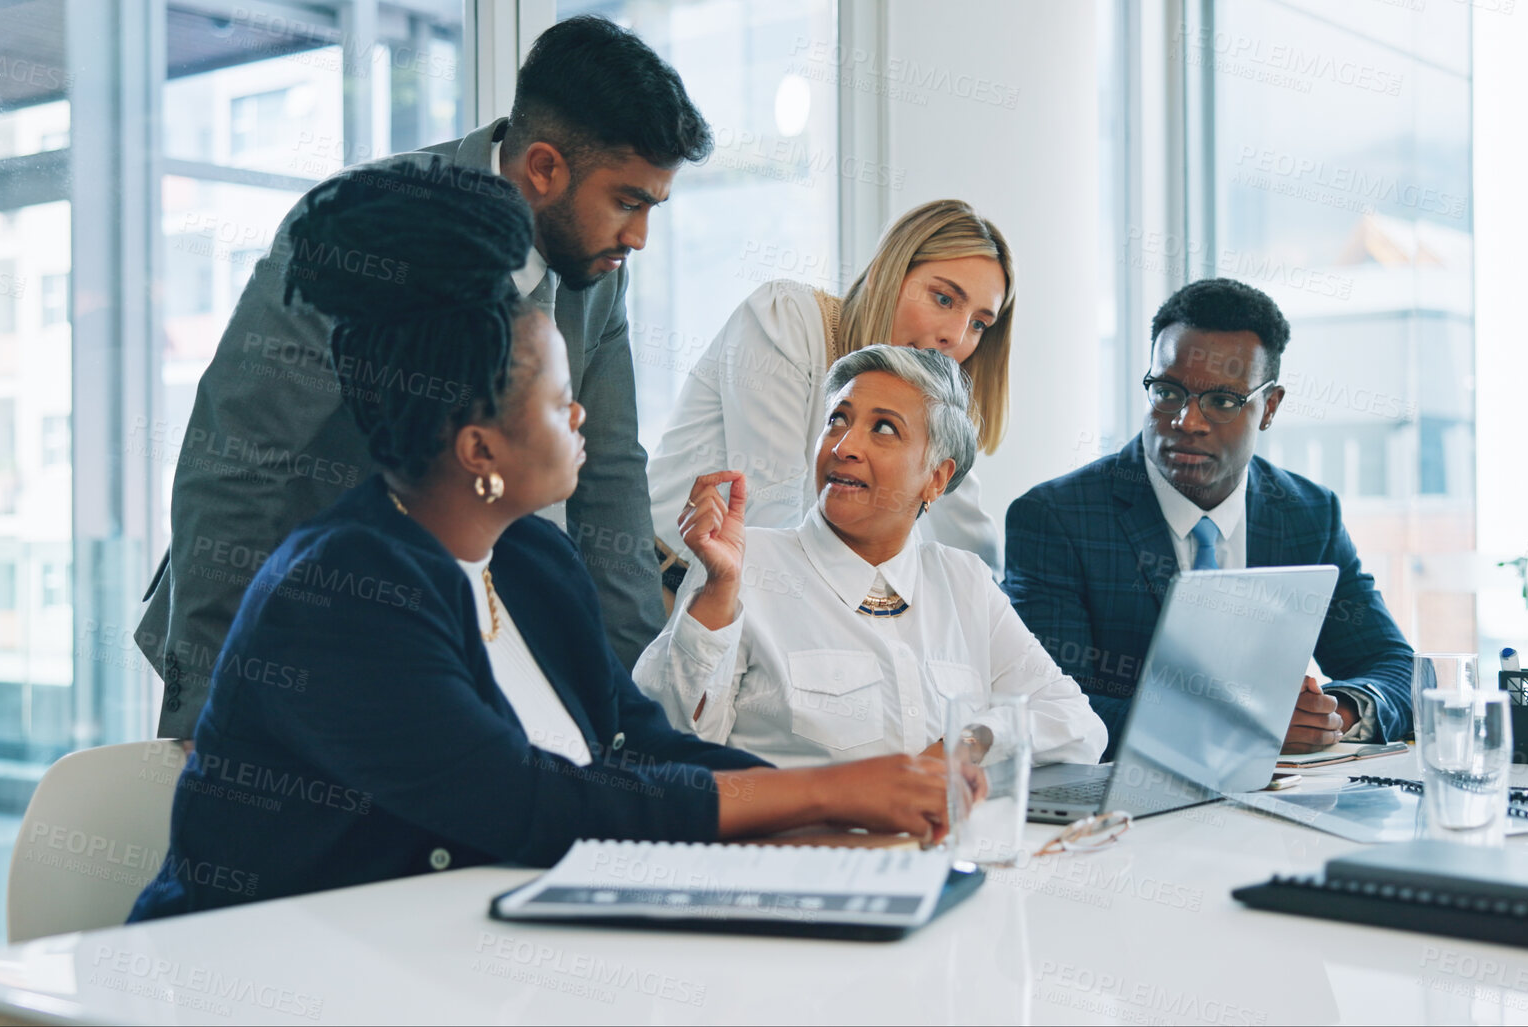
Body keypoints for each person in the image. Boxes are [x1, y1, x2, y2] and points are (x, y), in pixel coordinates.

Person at [130, 164, 960, 921]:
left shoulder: (533, 562)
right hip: (259, 978)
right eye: (559, 396)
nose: (579, 414)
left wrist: (833, 802)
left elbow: (641, 743)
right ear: (479, 450)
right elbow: (534, 803)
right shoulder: (342, 591)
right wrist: (831, 789)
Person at [137, 15, 693, 740]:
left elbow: (610, 479)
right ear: (545, 168)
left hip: (463, 644)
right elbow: (238, 460)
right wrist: (215, 706)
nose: (639, 236)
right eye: (627, 201)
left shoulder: (595, 271)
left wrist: (623, 705)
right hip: (295, 633)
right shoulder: (367, 226)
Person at [635, 345, 1106, 769]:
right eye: (837, 420)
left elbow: (1078, 723)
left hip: (941, 852)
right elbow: (670, 745)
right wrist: (717, 594)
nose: (844, 446)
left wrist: (966, 744)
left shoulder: (964, 582)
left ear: (936, 479)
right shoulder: (744, 563)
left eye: (883, 428)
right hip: (803, 855)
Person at [1003, 278, 1413, 760]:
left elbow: (1393, 666)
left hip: (1280, 811)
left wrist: (1333, 713)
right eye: (1169, 392)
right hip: (1130, 816)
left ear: (1270, 407)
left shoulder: (1308, 514)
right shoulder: (1058, 519)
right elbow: (1048, 707)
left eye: (1222, 401)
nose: (1187, 422)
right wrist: (1238, 727)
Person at [646, 200, 1015, 590]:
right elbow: (773, 517)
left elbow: (973, 558)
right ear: (885, 274)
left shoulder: (926, 404)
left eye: (978, 323)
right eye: (943, 299)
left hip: (786, 605)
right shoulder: (787, 320)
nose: (956, 337)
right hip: (664, 585)